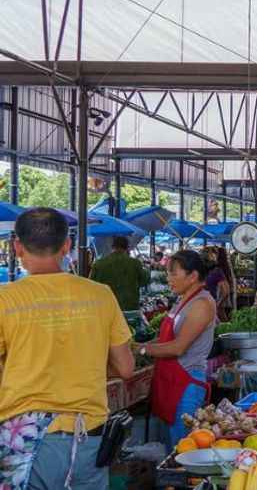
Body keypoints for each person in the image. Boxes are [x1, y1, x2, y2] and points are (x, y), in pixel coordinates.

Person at [0, 208, 134, 488]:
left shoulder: (5, 299)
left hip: (23, 437)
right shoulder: (100, 295)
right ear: (67, 246)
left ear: (17, 248)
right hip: (87, 437)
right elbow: (126, 367)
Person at [136, 250, 215, 449]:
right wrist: (138, 345)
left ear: (193, 276)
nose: (168, 278)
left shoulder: (202, 304)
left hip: (186, 383)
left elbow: (179, 347)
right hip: (171, 381)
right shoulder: (182, 301)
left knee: (183, 449)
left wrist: (143, 350)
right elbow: (164, 338)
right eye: (168, 273)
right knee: (172, 445)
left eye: (174, 274)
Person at [89, 236, 150, 313]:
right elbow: (144, 280)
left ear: (112, 247)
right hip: (130, 308)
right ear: (127, 248)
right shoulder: (135, 263)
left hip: (106, 308)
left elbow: (91, 286)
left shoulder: (99, 264)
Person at [202, 247, 231, 321]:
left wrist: (218, 304)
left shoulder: (215, 271)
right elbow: (226, 291)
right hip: (207, 304)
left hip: (208, 305)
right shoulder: (216, 271)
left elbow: (226, 291)